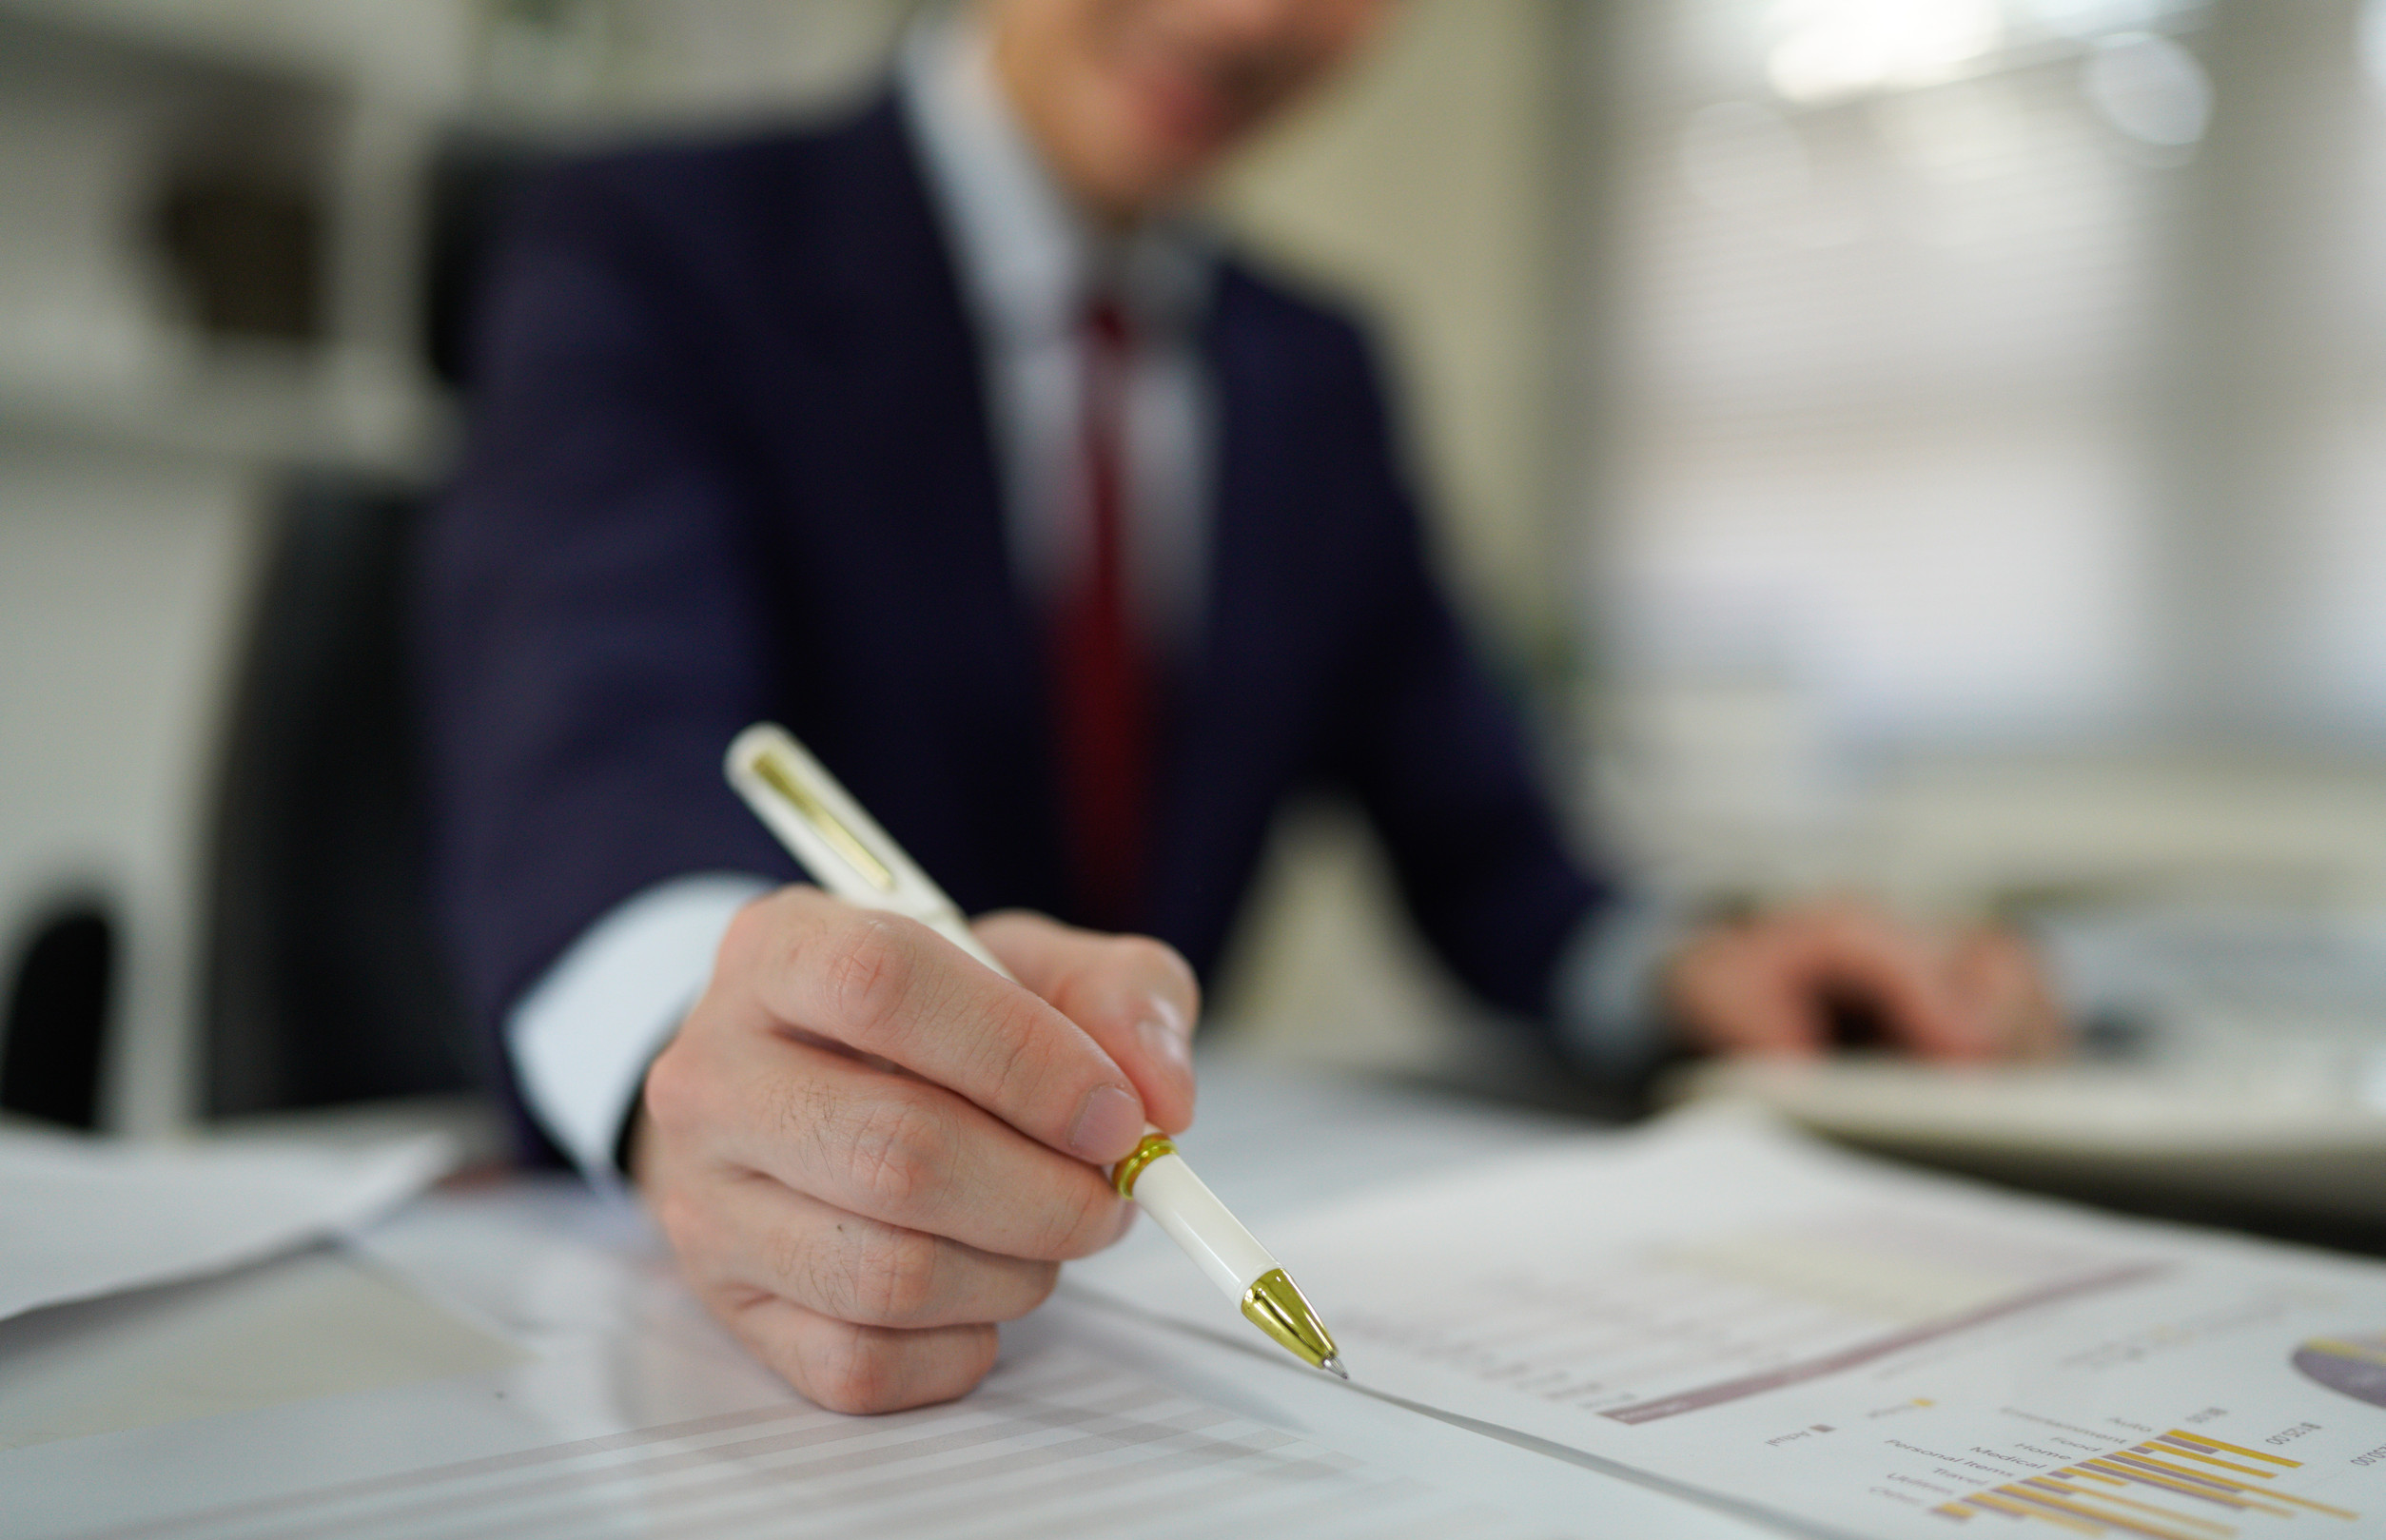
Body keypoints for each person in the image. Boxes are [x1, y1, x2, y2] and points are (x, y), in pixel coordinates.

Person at [419, 0, 2059, 1415]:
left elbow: (1486, 845)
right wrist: (690, 1060)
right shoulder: (643, 247)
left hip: (1111, 1335)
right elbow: (597, 733)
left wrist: (1688, 965)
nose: (1255, 18)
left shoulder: (1321, 374)